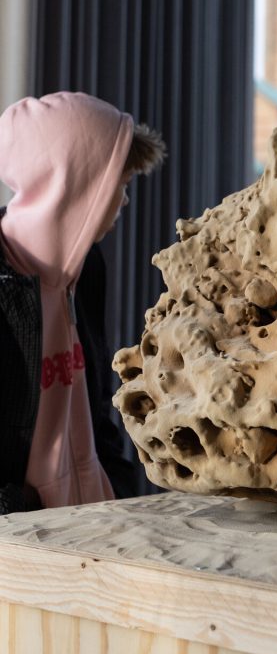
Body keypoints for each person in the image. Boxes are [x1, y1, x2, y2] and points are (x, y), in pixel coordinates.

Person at [0, 91, 165, 513]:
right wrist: (19, 509)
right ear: (73, 182)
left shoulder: (85, 269)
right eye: (118, 182)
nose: (124, 199)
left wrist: (120, 488)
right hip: (25, 547)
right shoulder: (4, 283)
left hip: (94, 528)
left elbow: (93, 405)